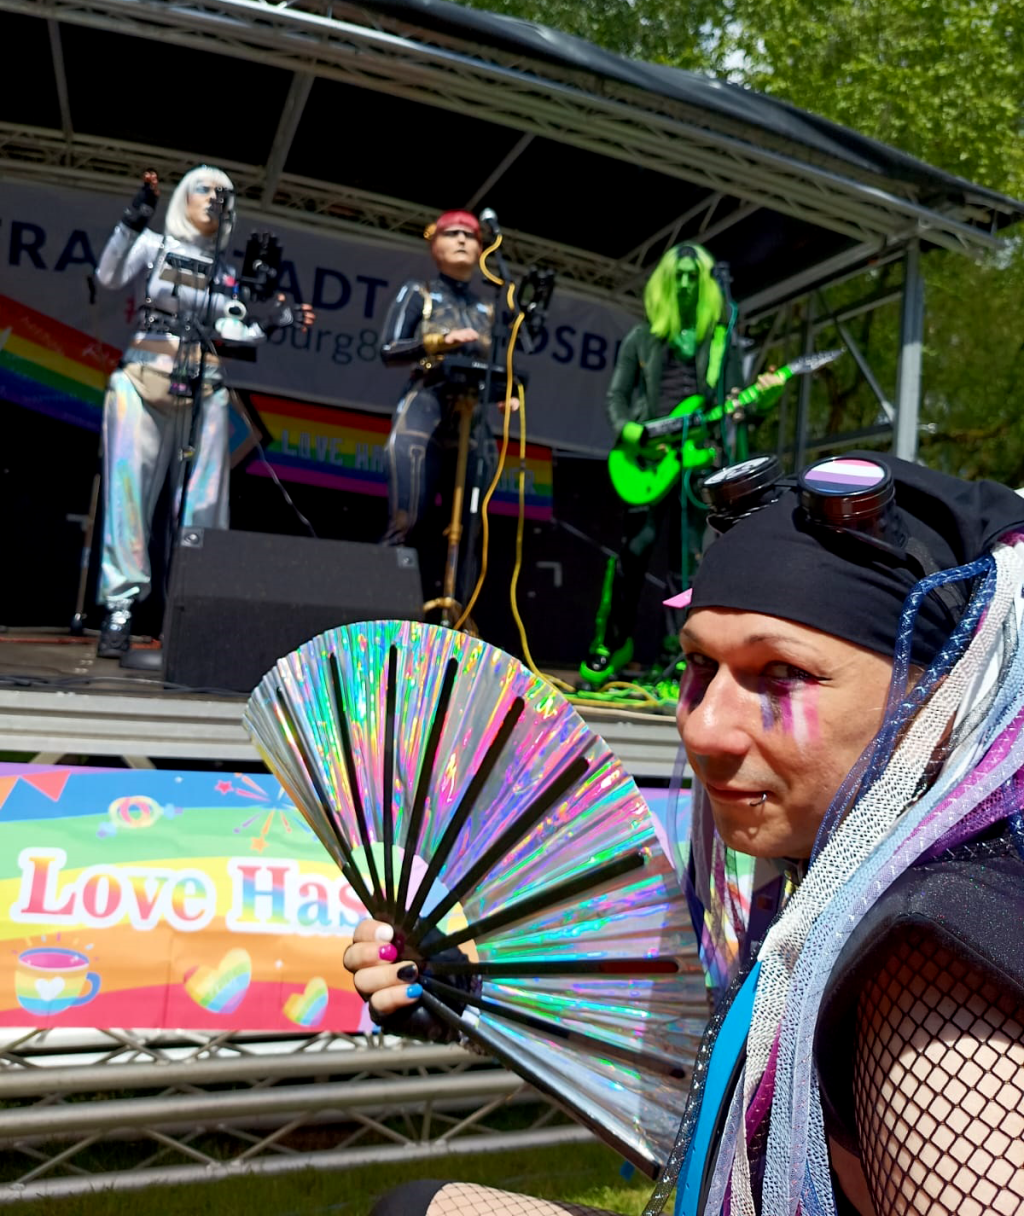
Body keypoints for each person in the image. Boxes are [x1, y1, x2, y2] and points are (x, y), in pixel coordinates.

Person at [345, 451, 1024, 1216]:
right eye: (699, 664)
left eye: (780, 675)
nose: (705, 726)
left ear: (939, 696)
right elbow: (717, 1092)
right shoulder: (843, 889)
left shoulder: (930, 958)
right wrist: (465, 992)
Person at [94, 167, 313, 658]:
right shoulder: (153, 246)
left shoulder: (228, 273)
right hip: (143, 378)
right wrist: (133, 219)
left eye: (224, 194)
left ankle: (191, 612)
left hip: (205, 386)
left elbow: (236, 334)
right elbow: (109, 275)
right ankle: (120, 609)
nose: (215, 199)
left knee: (205, 502)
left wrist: (275, 319)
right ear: (183, 198)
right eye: (205, 189)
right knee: (129, 493)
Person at [580, 243, 780, 695]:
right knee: (635, 551)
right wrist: (629, 431)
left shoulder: (719, 341)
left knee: (688, 561)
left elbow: (731, 405)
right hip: (650, 459)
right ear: (667, 283)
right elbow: (617, 395)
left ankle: (678, 654)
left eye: (696, 277)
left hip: (697, 461)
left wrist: (759, 400)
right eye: (680, 277)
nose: (688, 285)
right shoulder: (642, 338)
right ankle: (612, 643)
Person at [380, 209, 514, 613]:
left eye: (469, 235)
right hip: (424, 412)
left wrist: (504, 394)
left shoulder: (489, 309)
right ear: (433, 244)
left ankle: (456, 626)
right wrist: (441, 340)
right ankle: (386, 616)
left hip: (472, 425)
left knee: (470, 531)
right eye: (451, 233)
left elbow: (497, 369)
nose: (461, 240)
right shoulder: (417, 292)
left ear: (481, 248)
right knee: (407, 520)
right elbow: (389, 349)